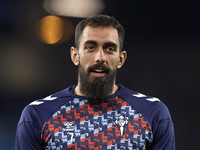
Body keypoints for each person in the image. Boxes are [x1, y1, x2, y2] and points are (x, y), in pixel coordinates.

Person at [15, 14, 175, 150]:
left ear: (121, 59)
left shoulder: (153, 113)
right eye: (91, 47)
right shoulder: (37, 115)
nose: (100, 57)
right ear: (75, 55)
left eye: (109, 49)